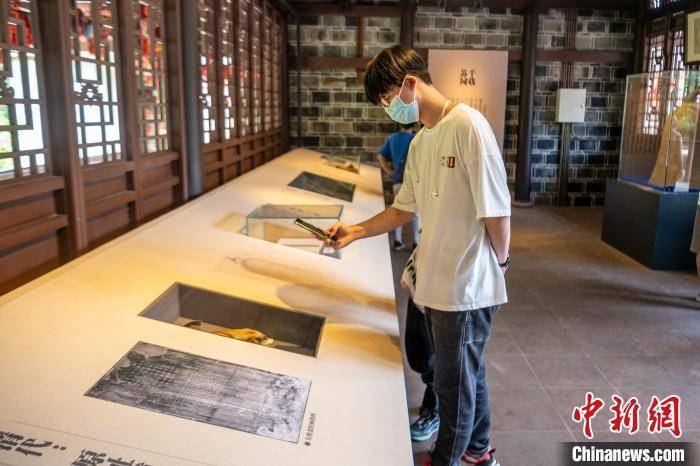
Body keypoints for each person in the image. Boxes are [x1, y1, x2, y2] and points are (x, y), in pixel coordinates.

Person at [324, 45, 511, 466]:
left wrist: (498, 266)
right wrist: (355, 231)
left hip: (464, 288)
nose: (389, 109)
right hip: (434, 279)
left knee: (453, 388)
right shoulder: (423, 139)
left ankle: (446, 459)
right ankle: (480, 453)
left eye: (388, 100)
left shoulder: (468, 125)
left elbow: (497, 213)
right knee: (468, 373)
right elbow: (404, 207)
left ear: (411, 84)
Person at [378, 123, 420, 251]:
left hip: (397, 180)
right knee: (415, 213)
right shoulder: (417, 138)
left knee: (397, 210)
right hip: (414, 181)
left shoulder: (393, 138)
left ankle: (397, 241)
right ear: (414, 125)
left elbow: (381, 156)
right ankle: (415, 243)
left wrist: (389, 171)